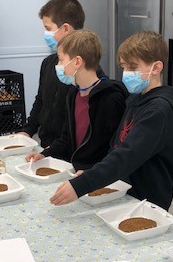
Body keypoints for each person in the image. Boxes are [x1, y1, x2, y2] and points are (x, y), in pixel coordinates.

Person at [50, 30, 173, 210]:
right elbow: (116, 146)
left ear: (156, 68)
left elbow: (127, 155)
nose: (126, 73)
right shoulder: (134, 99)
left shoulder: (159, 111)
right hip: (124, 191)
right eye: (124, 68)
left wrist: (82, 184)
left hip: (147, 200)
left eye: (133, 68)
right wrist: (92, 171)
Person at [26, 30, 127, 170]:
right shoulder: (73, 94)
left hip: (97, 177)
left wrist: (92, 173)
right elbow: (66, 138)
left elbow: (114, 148)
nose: (58, 65)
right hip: (77, 171)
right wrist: (45, 154)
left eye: (61, 60)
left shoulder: (109, 98)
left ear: (78, 61)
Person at [18, 0, 89, 148]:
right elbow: (40, 100)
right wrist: (28, 130)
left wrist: (60, 147)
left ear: (65, 28)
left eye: (48, 29)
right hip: (46, 144)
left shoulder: (85, 70)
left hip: (69, 149)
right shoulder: (48, 63)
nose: (45, 34)